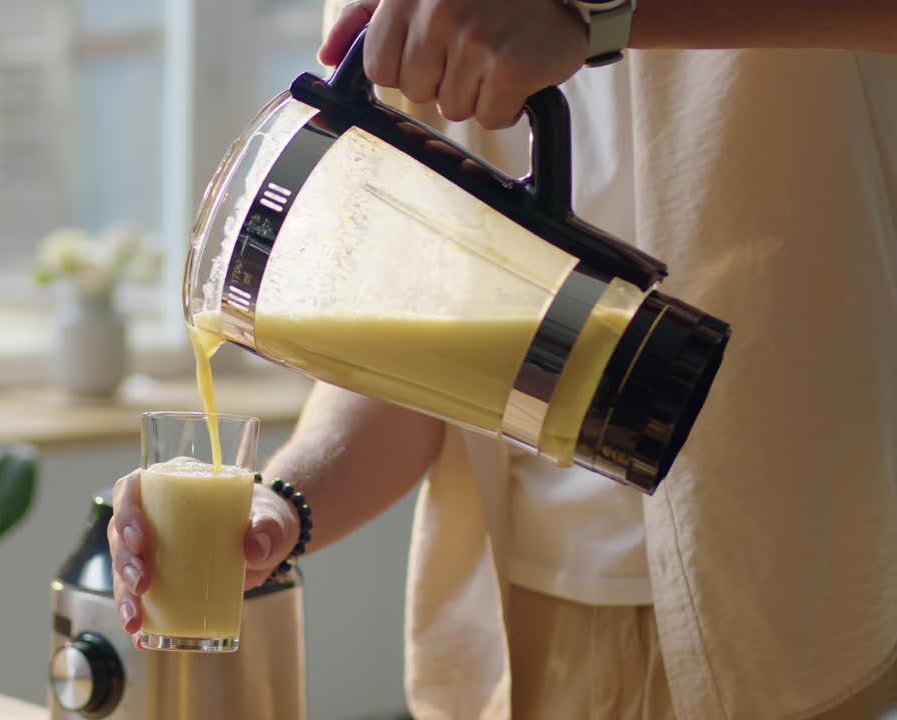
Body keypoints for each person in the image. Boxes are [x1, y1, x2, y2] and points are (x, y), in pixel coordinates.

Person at [110, 0, 897, 717]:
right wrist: (278, 505)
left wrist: (596, 13)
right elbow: (411, 345)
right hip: (521, 632)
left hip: (795, 592)